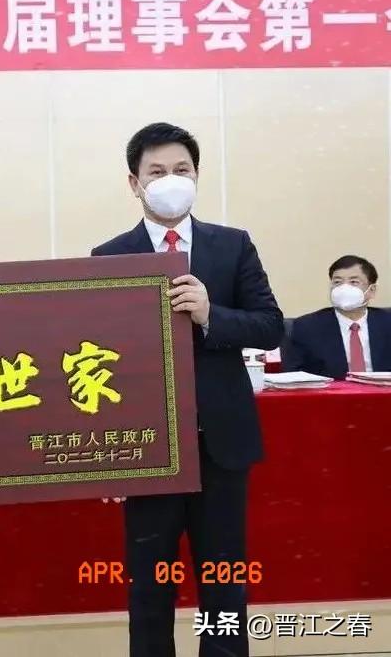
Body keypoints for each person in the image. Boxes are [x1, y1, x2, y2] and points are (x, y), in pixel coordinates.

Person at [91, 123, 284, 657]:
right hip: (148, 449)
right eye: (157, 172)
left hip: (220, 442)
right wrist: (109, 456)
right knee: (149, 586)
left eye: (182, 170)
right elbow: (100, 360)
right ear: (134, 184)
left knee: (224, 582)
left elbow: (270, 325)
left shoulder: (232, 245)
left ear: (197, 177)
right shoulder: (110, 257)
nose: (170, 180)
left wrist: (210, 314)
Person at [283, 255, 390, 379]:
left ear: (372, 290)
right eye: (337, 282)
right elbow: (294, 375)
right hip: (333, 391)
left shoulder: (387, 322)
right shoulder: (307, 327)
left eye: (354, 282)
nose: (344, 288)